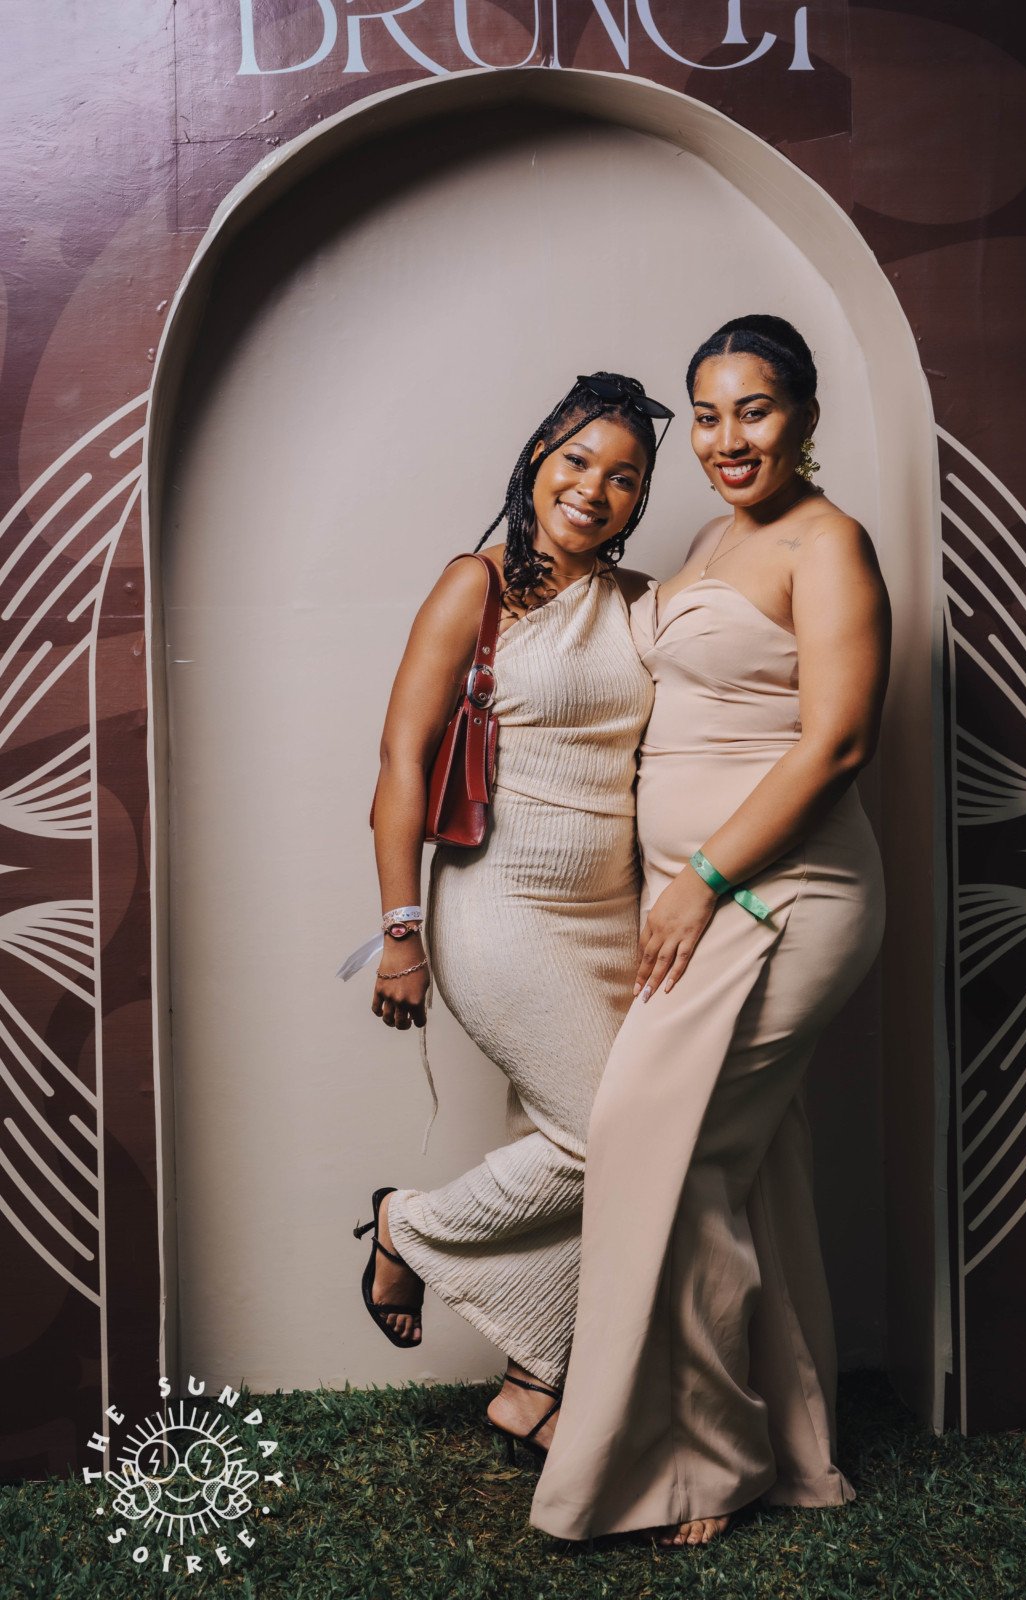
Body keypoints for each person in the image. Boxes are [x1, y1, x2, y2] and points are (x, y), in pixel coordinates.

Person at [532, 315, 889, 1545]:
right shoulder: (708, 538)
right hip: (693, 893)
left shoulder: (829, 543)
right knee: (749, 1170)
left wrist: (705, 878)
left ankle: (710, 1458)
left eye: (756, 409)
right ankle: (785, 1444)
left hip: (783, 893)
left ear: (804, 417)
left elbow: (838, 743)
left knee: (672, 1153)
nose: (729, 438)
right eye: (708, 414)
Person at [353, 372, 672, 1457]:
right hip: (500, 904)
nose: (593, 488)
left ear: (638, 498)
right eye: (577, 459)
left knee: (593, 1139)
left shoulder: (638, 600)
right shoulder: (475, 584)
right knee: (609, 1134)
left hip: (614, 914)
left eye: (622, 477)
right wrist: (400, 932)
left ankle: (533, 1382)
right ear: (538, 458)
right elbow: (401, 762)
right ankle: (406, 1225)